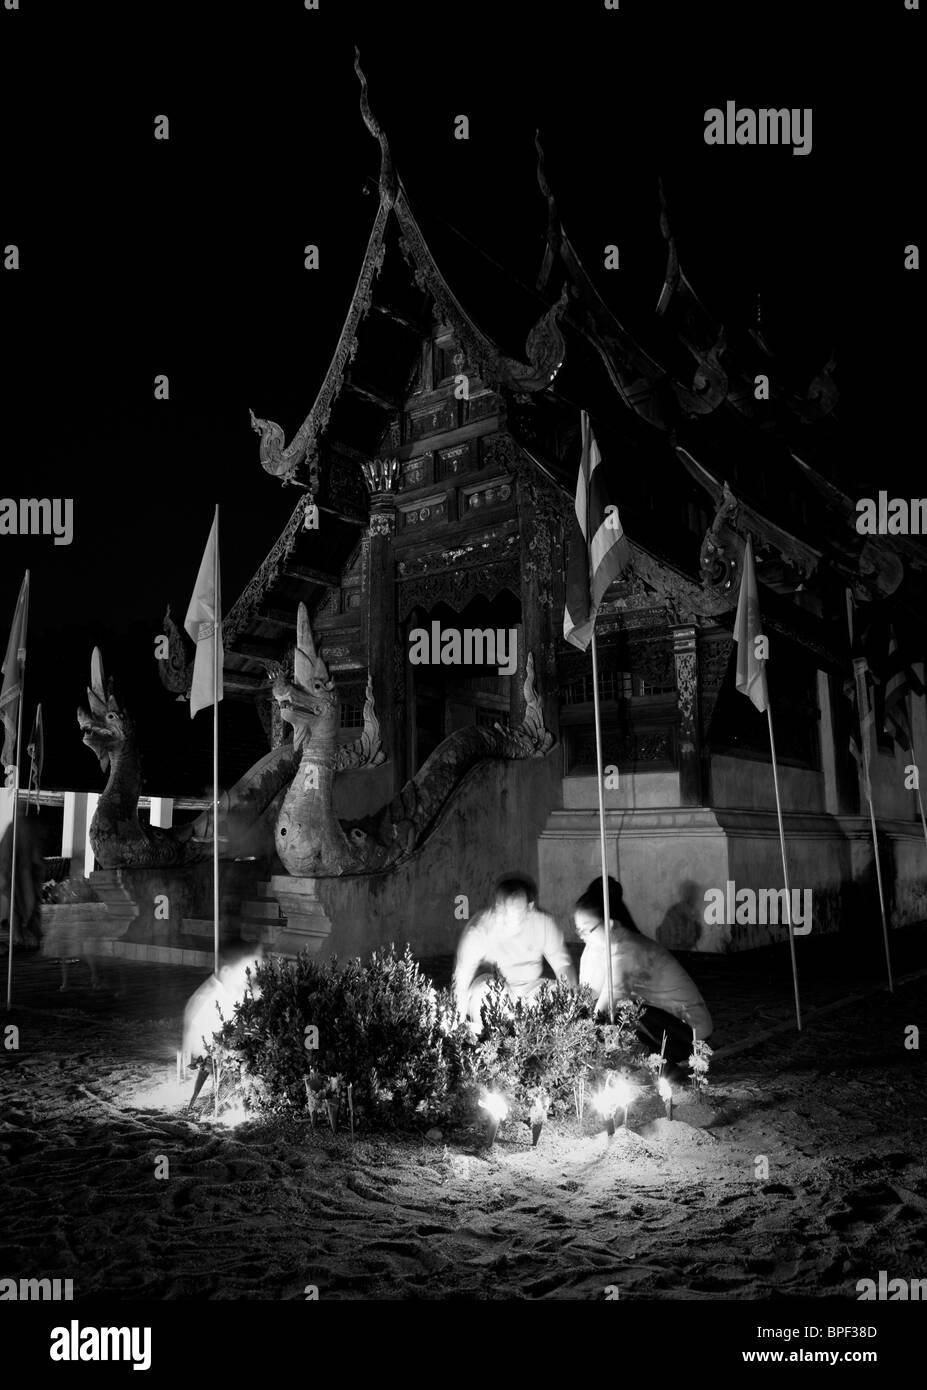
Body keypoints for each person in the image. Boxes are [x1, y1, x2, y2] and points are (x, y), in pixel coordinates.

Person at [574, 876, 712, 1067]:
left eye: (587, 930)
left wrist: (576, 1046)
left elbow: (603, 1009)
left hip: (691, 1036)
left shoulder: (628, 951)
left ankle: (658, 1064)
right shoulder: (601, 946)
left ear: (610, 923)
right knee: (617, 1011)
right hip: (669, 1023)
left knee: (623, 1010)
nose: (582, 937)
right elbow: (588, 993)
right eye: (578, 931)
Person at [454, 876, 577, 1025]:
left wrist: (570, 1002)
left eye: (517, 913)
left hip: (532, 988)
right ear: (497, 907)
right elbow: (462, 978)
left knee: (553, 996)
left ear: (530, 907)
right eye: (504, 912)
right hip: (493, 987)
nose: (510, 919)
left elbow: (563, 965)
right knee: (487, 997)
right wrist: (456, 1022)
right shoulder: (480, 930)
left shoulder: (543, 923)